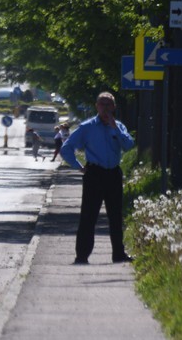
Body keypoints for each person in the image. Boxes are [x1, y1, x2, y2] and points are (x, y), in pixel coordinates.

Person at [60, 91, 135, 264]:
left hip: (113, 173)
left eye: (109, 104)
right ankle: (82, 255)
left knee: (115, 216)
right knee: (89, 216)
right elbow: (67, 148)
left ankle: (118, 254)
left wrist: (115, 128)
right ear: (97, 106)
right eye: (102, 104)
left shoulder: (119, 126)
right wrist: (78, 167)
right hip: (94, 174)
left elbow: (129, 145)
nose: (105, 108)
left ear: (114, 107)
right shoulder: (87, 127)